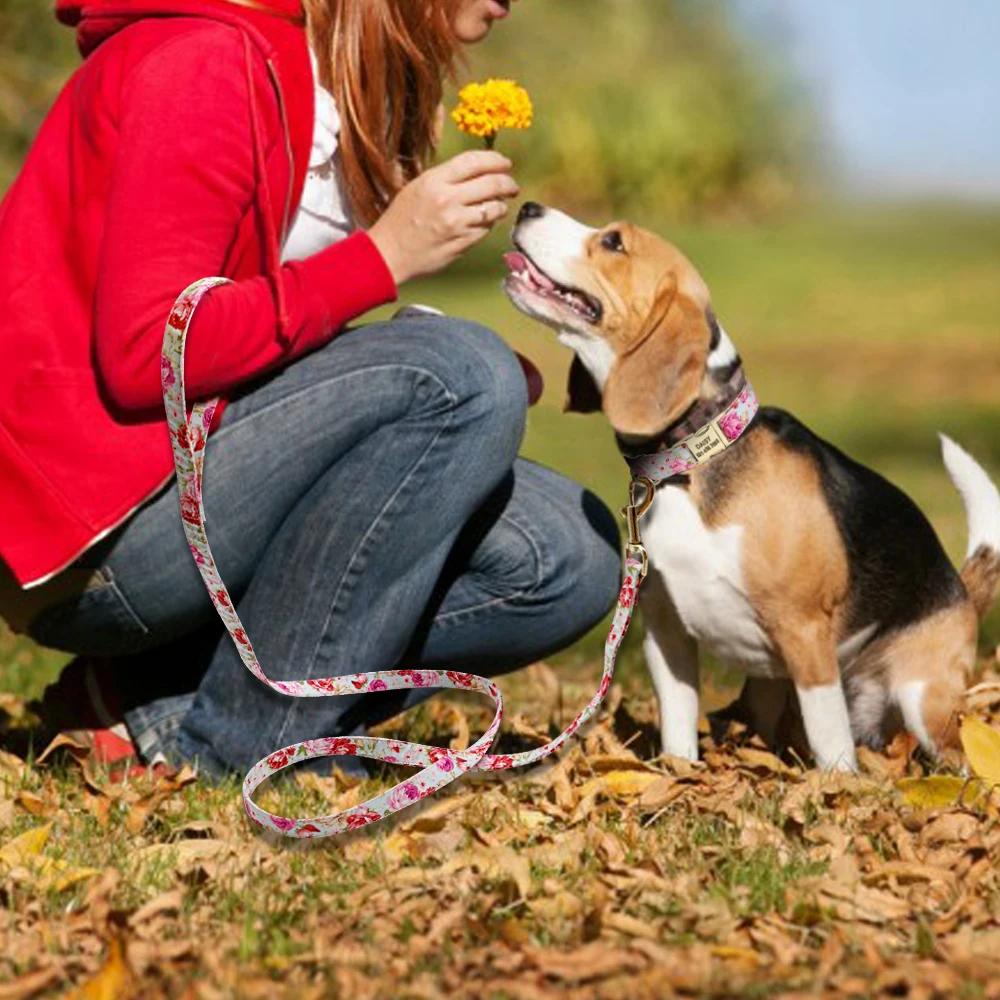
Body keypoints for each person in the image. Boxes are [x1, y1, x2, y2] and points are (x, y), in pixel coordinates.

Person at [0, 0, 621, 780]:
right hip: (98, 539)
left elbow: (261, 329)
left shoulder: (315, 81)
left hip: (190, 483)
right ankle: (241, 748)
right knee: (457, 375)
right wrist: (385, 266)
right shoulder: (206, 62)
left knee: (567, 555)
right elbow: (148, 352)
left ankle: (153, 700)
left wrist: (408, 371)